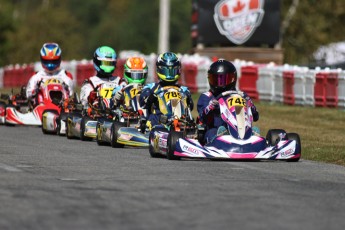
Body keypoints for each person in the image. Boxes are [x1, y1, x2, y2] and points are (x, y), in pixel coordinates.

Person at [197, 59, 259, 144]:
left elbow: (255, 117)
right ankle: (220, 138)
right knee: (211, 133)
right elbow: (202, 118)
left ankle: (251, 137)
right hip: (216, 129)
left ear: (232, 79)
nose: (220, 84)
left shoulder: (242, 96)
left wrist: (251, 107)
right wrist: (211, 107)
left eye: (223, 80)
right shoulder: (207, 97)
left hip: (242, 129)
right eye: (216, 80)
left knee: (255, 130)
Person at [139, 52, 194, 130]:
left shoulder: (184, 90)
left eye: (173, 71)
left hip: (180, 121)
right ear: (159, 70)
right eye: (166, 71)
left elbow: (190, 107)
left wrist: (188, 99)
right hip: (159, 122)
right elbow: (143, 103)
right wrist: (151, 97)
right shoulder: (151, 87)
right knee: (154, 118)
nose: (169, 74)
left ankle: (186, 128)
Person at [26, 43, 74, 107]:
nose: (50, 65)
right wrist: (36, 90)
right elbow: (28, 94)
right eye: (47, 61)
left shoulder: (65, 76)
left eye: (54, 61)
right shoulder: (36, 77)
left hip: (61, 108)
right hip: (41, 107)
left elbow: (70, 94)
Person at [80, 46, 125, 111]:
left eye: (110, 63)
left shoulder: (120, 81)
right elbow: (84, 102)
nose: (108, 66)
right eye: (105, 63)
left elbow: (128, 99)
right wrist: (95, 95)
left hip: (119, 116)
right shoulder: (90, 83)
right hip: (98, 115)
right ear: (97, 62)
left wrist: (121, 94)